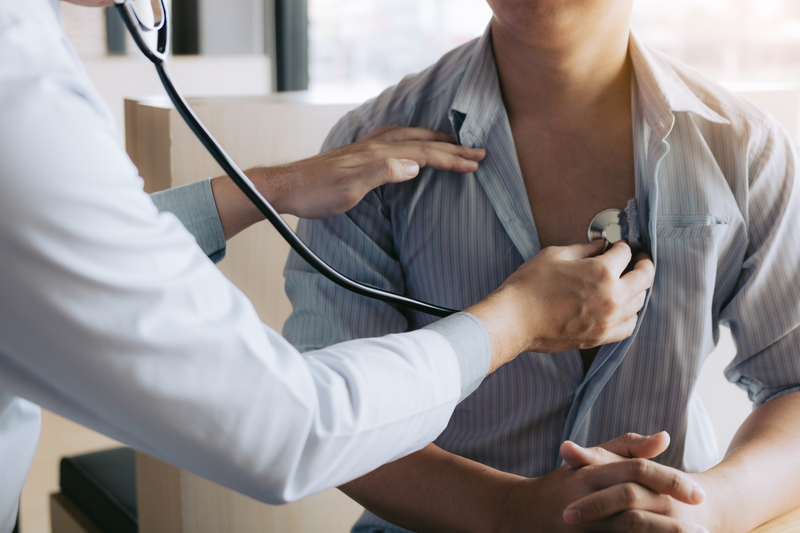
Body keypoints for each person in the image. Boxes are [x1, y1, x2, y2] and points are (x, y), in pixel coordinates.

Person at [0, 0, 658, 531]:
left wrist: (270, 188)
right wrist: (514, 319)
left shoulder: (735, 145)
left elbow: (57, 250)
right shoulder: (17, 90)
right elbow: (287, 427)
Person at [282, 0, 800, 531]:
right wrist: (508, 510)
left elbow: (795, 384)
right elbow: (328, 418)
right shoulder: (368, 153)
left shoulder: (746, 149)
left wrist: (711, 505)